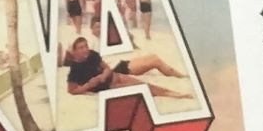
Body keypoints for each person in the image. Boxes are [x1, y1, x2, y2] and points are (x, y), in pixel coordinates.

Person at [62, 37, 191, 100]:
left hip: (115, 76)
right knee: (142, 89)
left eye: (85, 46)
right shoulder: (75, 69)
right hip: (109, 87)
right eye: (81, 48)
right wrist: (89, 85)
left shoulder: (93, 54)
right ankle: (173, 95)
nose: (85, 49)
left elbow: (106, 68)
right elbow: (72, 91)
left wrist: (103, 75)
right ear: (74, 52)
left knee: (145, 84)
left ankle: (173, 93)